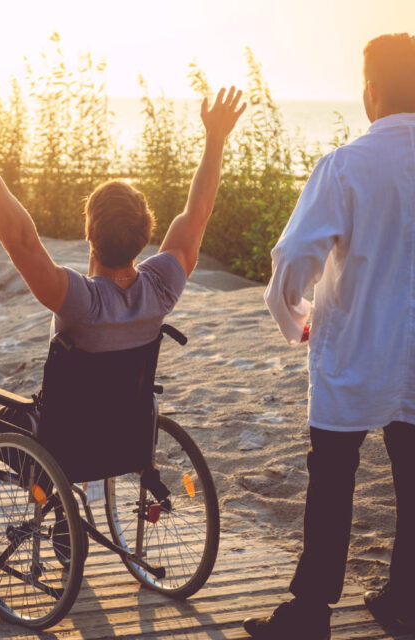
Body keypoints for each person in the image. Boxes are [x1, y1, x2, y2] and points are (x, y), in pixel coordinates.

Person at [0, 89, 246, 482]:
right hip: (124, 439)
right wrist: (215, 139)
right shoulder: (162, 287)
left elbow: (20, 237)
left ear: (90, 233)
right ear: (146, 233)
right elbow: (198, 212)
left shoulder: (79, 301)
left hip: (59, 446)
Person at [243, 33, 415, 640]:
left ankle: (311, 613)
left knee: (333, 480)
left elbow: (294, 256)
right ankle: (405, 599)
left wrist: (291, 316)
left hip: (354, 354)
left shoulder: (346, 165)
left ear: (371, 93)